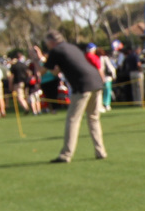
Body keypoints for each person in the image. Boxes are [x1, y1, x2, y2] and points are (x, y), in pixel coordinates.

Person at [34, 30, 106, 163]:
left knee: (73, 119)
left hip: (82, 86)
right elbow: (56, 72)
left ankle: (66, 154)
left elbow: (42, 71)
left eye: (47, 43)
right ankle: (100, 151)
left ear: (51, 42)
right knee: (93, 119)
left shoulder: (56, 51)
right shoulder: (71, 47)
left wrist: (37, 58)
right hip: (96, 82)